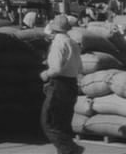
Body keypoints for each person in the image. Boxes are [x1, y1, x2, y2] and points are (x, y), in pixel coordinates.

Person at [40, 15, 85, 154]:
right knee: (62, 123)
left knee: (49, 122)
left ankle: (71, 149)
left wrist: (45, 74)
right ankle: (65, 151)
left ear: (53, 31)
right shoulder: (73, 43)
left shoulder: (58, 43)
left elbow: (56, 69)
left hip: (59, 85)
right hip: (71, 84)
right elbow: (80, 68)